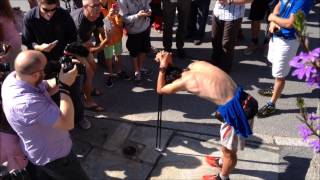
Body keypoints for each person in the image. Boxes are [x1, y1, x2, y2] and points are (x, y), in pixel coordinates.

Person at [155, 51, 258, 180]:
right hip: (244, 99)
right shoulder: (196, 65)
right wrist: (166, 61)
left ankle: (223, 177)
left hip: (236, 111)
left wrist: (162, 67)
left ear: (174, 81)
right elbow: (174, 71)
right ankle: (222, 163)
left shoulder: (183, 81)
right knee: (227, 148)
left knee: (229, 153)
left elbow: (160, 89)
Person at [1, 50, 89, 180]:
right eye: (44, 69)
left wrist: (65, 75)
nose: (47, 71)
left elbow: (45, 86)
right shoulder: (27, 103)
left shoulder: (14, 78)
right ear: (36, 74)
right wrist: (65, 87)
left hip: (40, 154)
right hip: (55, 157)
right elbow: (67, 123)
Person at [22, 0, 92, 129]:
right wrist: (39, 47)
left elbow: (72, 37)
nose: (50, 14)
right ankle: (59, 120)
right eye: (46, 10)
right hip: (44, 64)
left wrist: (70, 52)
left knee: (75, 92)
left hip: (65, 59)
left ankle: (79, 118)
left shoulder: (63, 15)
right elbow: (27, 41)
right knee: (51, 95)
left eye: (53, 10)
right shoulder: (30, 17)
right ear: (39, 4)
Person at [257, 0, 313, 118]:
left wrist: (272, 17)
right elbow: (278, 4)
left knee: (280, 75)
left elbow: (289, 24)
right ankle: (276, 89)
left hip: (288, 41)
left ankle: (272, 104)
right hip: (277, 36)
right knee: (275, 65)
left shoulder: (303, 1)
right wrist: (274, 19)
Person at [71, 0, 106, 112]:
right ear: (85, 7)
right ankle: (88, 101)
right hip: (72, 46)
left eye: (99, 5)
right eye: (94, 6)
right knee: (88, 71)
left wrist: (106, 37)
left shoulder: (98, 14)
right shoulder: (78, 21)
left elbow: (102, 31)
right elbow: (78, 46)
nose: (98, 8)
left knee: (94, 66)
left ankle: (88, 89)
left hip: (84, 43)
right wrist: (102, 45)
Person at [211, 0, 252, 73]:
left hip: (233, 16)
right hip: (218, 12)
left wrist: (229, 1)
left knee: (227, 44)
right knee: (215, 39)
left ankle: (225, 68)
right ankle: (215, 62)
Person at [119, 0, 152, 85]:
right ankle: (136, 71)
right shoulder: (122, 1)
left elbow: (147, 5)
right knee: (134, 52)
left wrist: (149, 10)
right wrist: (138, 15)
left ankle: (139, 68)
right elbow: (124, 18)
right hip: (134, 31)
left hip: (145, 27)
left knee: (145, 49)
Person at [100, 0, 130, 88]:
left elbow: (120, 24)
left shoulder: (113, 2)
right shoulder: (96, 7)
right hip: (106, 38)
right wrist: (109, 16)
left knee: (118, 54)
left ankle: (119, 71)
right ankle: (110, 74)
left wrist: (117, 15)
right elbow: (103, 26)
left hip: (117, 35)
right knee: (108, 57)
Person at [0, 0, 22, 67]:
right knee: (15, 66)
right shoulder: (7, 11)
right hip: (15, 43)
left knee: (7, 68)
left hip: (8, 47)